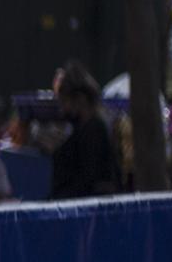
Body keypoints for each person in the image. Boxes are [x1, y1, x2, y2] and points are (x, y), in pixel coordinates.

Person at [47, 63, 120, 201]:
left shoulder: (95, 130)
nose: (63, 109)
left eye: (65, 102)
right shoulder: (80, 129)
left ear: (80, 99)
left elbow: (89, 178)